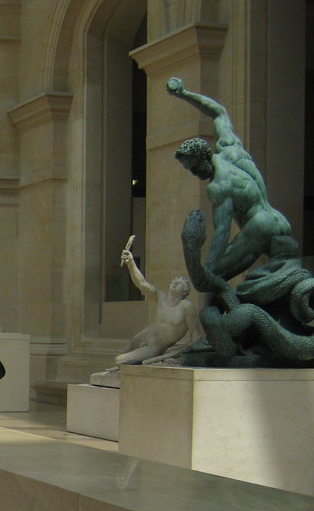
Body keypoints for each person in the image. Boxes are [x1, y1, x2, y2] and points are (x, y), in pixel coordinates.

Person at [166, 77, 291, 282]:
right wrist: (183, 93)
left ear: (203, 157)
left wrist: (206, 268)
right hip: (279, 221)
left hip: (259, 226)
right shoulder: (230, 148)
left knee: (212, 278)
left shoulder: (218, 186)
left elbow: (222, 233)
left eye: (195, 168)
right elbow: (218, 111)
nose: (195, 174)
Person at [114, 242, 203, 365]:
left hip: (156, 346)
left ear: (185, 292)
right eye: (174, 280)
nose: (176, 282)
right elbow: (142, 284)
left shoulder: (187, 307)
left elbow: (196, 334)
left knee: (119, 360)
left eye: (181, 283)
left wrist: (190, 354)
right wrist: (131, 263)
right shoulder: (161, 297)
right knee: (126, 350)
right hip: (147, 334)